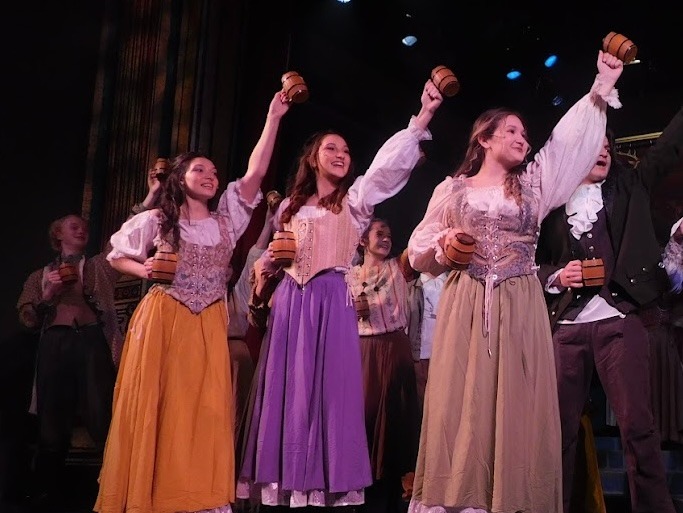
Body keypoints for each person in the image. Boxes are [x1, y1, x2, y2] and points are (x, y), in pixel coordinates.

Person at [406, 50, 624, 513]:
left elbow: (565, 145)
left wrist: (600, 88)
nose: (522, 139)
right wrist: (446, 246)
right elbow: (418, 248)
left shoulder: (534, 186)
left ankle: (512, 498)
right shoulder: (452, 190)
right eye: (511, 131)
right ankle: (462, 497)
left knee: (517, 403)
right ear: (484, 138)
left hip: (520, 305)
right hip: (467, 307)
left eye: (525, 134)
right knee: (464, 400)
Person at [238, 80, 443, 509]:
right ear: (312, 157)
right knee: (291, 392)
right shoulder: (288, 208)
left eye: (346, 151)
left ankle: (325, 482)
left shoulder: (355, 202)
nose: (341, 155)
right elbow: (274, 255)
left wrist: (422, 117)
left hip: (332, 302)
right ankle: (288, 480)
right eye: (331, 148)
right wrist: (268, 267)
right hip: (292, 305)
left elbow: (386, 168)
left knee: (330, 396)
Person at [93, 89, 291, 513]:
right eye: (200, 169)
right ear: (179, 178)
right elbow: (117, 256)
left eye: (214, 172)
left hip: (208, 321)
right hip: (165, 316)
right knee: (160, 404)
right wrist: (145, 269)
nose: (210, 176)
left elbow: (255, 173)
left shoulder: (227, 221)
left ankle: (195, 494)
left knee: (203, 408)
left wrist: (273, 118)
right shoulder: (158, 219)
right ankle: (152, 492)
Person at [535, 104, 683, 513]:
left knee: (637, 427)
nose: (603, 150)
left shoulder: (629, 187)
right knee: (559, 431)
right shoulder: (552, 205)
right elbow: (532, 262)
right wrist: (557, 275)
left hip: (619, 320)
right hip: (567, 327)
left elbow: (667, 148)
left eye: (607, 145)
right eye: (593, 144)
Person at [16, 214, 122, 509]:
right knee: (52, 421)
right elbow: (27, 319)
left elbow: (122, 242)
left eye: (85, 227)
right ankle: (46, 495)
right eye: (73, 226)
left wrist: (148, 201)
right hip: (56, 345)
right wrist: (48, 295)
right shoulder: (39, 277)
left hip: (91, 341)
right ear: (58, 234)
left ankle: (111, 491)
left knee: (101, 414)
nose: (81, 230)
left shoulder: (97, 266)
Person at [349, 218, 420, 513]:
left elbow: (417, 246)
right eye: (380, 234)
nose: (386, 239)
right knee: (364, 418)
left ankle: (392, 494)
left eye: (389, 235)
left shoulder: (398, 268)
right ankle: (362, 492)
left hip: (394, 351)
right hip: (362, 352)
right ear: (363, 240)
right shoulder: (349, 275)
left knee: (394, 422)